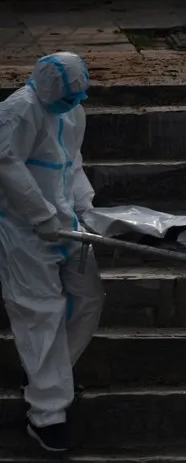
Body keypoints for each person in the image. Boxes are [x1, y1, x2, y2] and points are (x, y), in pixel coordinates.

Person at [0, 52, 105, 453]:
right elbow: (7, 166)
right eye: (68, 96)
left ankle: (51, 376)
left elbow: (72, 162)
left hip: (68, 225)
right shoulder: (18, 112)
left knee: (89, 298)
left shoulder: (71, 111)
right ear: (47, 89)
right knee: (39, 311)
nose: (74, 102)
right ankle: (46, 414)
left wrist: (86, 207)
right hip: (24, 231)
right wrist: (40, 216)